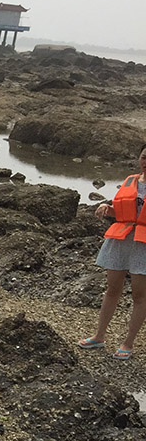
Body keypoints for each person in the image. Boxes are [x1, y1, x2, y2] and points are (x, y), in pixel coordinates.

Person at [79, 143, 146, 360]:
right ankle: (99, 336)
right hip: (121, 239)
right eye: (144, 156)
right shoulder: (131, 180)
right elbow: (125, 210)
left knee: (139, 295)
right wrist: (108, 209)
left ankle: (128, 343)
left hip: (143, 244)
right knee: (112, 289)